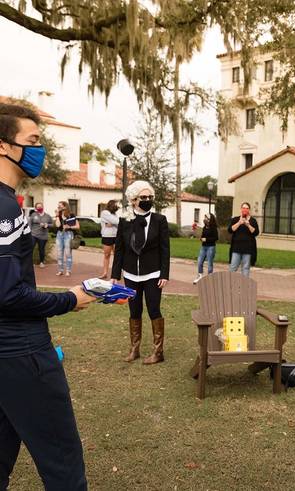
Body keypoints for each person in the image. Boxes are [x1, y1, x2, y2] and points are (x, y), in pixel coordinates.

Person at [0, 102, 96, 489]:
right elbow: (7, 294)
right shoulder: (4, 206)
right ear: (4, 146)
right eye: (33, 140)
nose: (41, 150)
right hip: (22, 353)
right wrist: (71, 299)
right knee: (63, 464)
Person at [111, 181, 170, 364]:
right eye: (143, 197)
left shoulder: (160, 220)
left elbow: (165, 249)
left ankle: (158, 352)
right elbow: (119, 248)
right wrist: (115, 274)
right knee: (134, 310)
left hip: (153, 274)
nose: (147, 200)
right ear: (133, 200)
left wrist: (164, 274)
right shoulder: (125, 220)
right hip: (130, 274)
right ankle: (134, 349)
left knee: (153, 310)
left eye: (149, 197)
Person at [228, 202, 259, 277]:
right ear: (241, 209)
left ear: (249, 210)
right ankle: (230, 285)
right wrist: (239, 223)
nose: (245, 209)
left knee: (245, 268)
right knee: (233, 268)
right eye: (243, 208)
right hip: (236, 249)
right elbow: (230, 230)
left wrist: (248, 225)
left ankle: (244, 286)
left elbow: (256, 233)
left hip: (248, 250)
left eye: (247, 208)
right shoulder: (235, 219)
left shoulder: (253, 221)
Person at [54, 200, 78, 276]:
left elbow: (77, 226)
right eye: (58, 206)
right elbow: (57, 225)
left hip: (68, 234)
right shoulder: (59, 214)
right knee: (59, 253)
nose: (58, 207)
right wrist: (57, 215)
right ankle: (60, 270)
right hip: (60, 234)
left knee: (68, 253)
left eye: (60, 206)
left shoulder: (71, 215)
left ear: (65, 206)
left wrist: (69, 226)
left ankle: (68, 270)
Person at [193, 212, 218, 284]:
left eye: (206, 217)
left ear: (210, 219)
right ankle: (199, 276)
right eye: (205, 217)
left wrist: (206, 239)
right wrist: (201, 238)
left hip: (211, 247)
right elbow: (203, 236)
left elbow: (216, 238)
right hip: (203, 247)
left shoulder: (214, 228)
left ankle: (210, 278)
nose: (205, 219)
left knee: (210, 263)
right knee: (199, 261)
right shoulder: (204, 227)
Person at [99, 199, 119, 279]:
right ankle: (105, 273)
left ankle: (116, 273)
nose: (117, 207)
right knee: (107, 255)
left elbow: (118, 222)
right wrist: (115, 223)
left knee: (117, 256)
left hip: (116, 236)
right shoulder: (105, 213)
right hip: (107, 236)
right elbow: (116, 222)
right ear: (111, 205)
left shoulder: (115, 214)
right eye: (115, 205)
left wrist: (113, 224)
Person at [29, 202, 52, 268]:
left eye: (40, 207)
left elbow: (52, 224)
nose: (39, 208)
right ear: (36, 208)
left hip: (43, 236)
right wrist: (29, 232)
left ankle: (41, 262)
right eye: (38, 207)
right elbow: (30, 224)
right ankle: (30, 263)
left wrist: (47, 225)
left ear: (43, 207)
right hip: (33, 234)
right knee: (31, 248)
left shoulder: (47, 216)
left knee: (41, 249)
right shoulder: (33, 215)